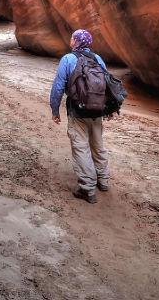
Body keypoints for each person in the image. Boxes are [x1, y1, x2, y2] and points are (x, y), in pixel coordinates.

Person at [50, 29, 109, 204]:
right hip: (98, 110)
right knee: (98, 144)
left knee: (81, 146)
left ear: (76, 41)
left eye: (72, 38)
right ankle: (103, 180)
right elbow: (108, 85)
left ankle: (87, 188)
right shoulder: (98, 59)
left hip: (78, 110)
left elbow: (58, 87)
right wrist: (109, 109)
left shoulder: (68, 59)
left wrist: (55, 110)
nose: (71, 40)